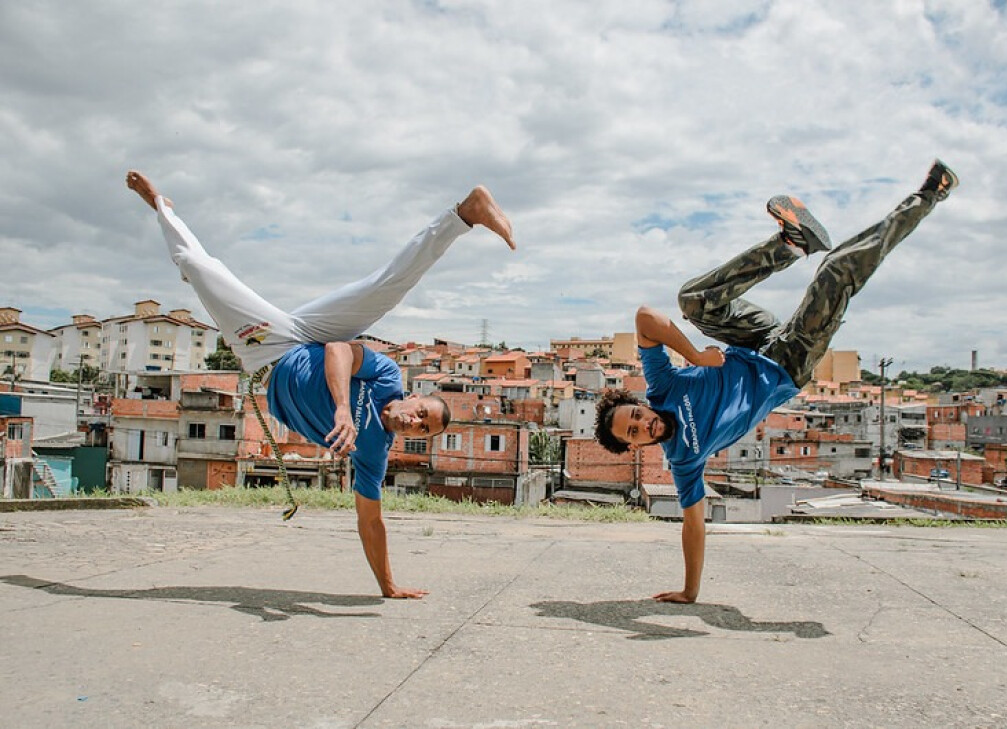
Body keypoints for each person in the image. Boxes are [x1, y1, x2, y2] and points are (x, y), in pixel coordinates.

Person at [126, 170, 516, 599]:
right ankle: (466, 213)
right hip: (311, 333)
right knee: (387, 286)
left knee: (200, 268)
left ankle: (162, 210)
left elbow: (370, 520)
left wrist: (388, 586)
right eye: (422, 413)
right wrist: (343, 409)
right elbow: (338, 349)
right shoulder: (387, 377)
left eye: (422, 430)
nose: (414, 423)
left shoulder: (373, 453)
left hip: (268, 353)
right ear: (414, 398)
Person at [593, 160, 958, 604]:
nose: (644, 424)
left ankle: (790, 244)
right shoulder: (684, 461)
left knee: (692, 301)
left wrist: (693, 355)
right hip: (788, 361)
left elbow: (645, 318)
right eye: (635, 432)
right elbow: (693, 524)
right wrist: (690, 592)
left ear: (639, 404)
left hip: (754, 339)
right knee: (836, 273)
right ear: (635, 447)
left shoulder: (663, 387)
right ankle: (929, 195)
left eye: (636, 415)